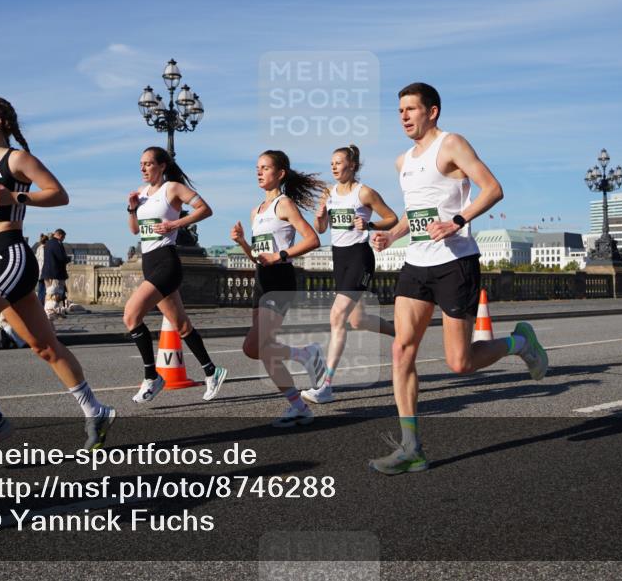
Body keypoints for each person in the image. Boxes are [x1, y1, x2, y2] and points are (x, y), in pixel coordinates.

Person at [368, 82, 549, 475]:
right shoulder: (403, 161)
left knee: (460, 363)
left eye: (411, 109)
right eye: (399, 110)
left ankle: (520, 341)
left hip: (456, 263)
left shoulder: (451, 145)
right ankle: (411, 447)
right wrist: (392, 234)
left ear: (432, 111)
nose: (403, 116)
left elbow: (493, 189)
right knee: (401, 351)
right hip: (416, 265)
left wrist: (457, 221)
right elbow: (414, 214)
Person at [0, 96, 115, 454]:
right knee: (45, 347)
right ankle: (96, 411)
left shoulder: (17, 159)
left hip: (13, 257)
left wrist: (17, 199)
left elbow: (58, 194)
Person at [124, 146, 228, 403]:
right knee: (181, 326)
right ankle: (212, 371)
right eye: (141, 164)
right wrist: (131, 209)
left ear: (162, 166)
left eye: (148, 164)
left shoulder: (172, 188)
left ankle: (152, 376)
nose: (143, 168)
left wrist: (175, 224)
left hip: (166, 263)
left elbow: (205, 209)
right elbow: (135, 231)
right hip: (148, 262)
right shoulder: (140, 193)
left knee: (131, 316)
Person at [231, 150, 326, 427]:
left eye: (265, 168)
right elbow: (258, 257)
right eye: (257, 168)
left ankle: (304, 357)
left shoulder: (284, 205)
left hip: (281, 280)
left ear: (280, 173)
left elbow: (313, 240)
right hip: (262, 280)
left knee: (254, 345)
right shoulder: (256, 211)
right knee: (261, 349)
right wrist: (241, 243)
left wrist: (282, 255)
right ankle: (299, 403)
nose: (259, 172)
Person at [301, 144, 398, 405]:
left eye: (339, 162)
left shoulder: (363, 192)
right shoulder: (328, 193)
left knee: (337, 315)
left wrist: (370, 224)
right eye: (331, 162)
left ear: (352, 165)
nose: (333, 166)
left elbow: (392, 218)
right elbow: (321, 229)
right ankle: (401, 333)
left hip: (359, 257)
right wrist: (320, 217)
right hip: (338, 258)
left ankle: (327, 385)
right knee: (357, 320)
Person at [41, 228, 70, 319]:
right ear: (60, 235)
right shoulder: (57, 243)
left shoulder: (48, 243)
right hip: (55, 273)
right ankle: (52, 311)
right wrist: (68, 259)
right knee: (56, 293)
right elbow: (61, 258)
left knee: (49, 293)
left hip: (47, 273)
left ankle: (49, 310)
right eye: (63, 237)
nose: (63, 239)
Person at [34, 233, 49, 306]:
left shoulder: (38, 248)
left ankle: (39, 304)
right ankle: (43, 304)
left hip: (39, 271)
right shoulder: (46, 248)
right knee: (46, 290)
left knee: (40, 289)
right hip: (45, 271)